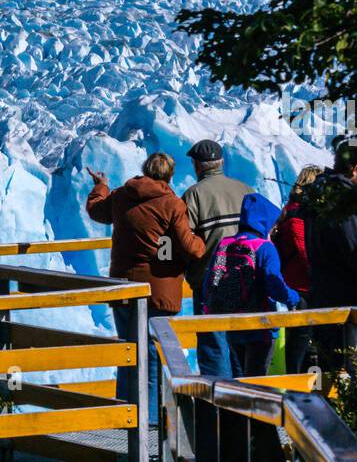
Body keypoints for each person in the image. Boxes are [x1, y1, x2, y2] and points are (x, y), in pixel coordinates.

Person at [86, 152, 206, 424]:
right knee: (151, 356)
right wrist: (205, 244)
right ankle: (149, 422)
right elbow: (189, 246)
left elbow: (96, 210)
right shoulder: (172, 204)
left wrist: (100, 186)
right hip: (157, 290)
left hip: (123, 287)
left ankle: (123, 417)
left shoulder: (120, 195)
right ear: (170, 175)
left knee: (127, 351)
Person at [200, 193, 300, 376]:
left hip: (232, 323)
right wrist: (293, 297)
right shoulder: (264, 247)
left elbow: (209, 281)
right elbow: (273, 283)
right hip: (259, 324)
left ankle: (235, 405)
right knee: (257, 378)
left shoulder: (225, 243)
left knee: (240, 377)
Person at [305, 142, 357, 372]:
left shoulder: (318, 193)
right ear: (356, 169)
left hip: (322, 295)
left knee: (329, 368)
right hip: (347, 301)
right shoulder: (342, 202)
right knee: (355, 369)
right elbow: (355, 250)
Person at [181, 139, 252, 378]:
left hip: (211, 282)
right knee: (241, 344)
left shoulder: (194, 195)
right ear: (220, 162)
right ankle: (246, 401)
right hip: (247, 280)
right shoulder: (245, 190)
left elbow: (183, 239)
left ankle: (218, 406)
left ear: (197, 165)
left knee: (214, 346)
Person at [272, 165, 322, 372]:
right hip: (303, 287)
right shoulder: (297, 217)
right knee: (303, 340)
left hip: (298, 284)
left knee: (303, 339)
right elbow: (304, 254)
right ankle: (299, 389)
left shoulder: (291, 212)